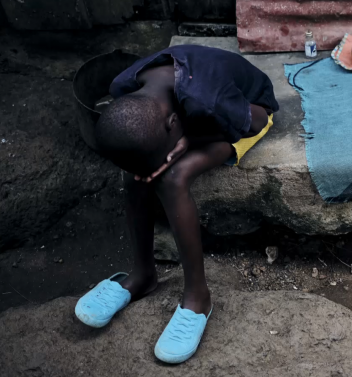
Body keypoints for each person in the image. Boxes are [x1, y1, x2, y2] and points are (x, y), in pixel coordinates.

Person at [74, 44, 278, 363]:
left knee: (173, 176)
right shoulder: (123, 86)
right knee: (138, 174)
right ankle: (142, 275)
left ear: (173, 123)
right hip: (187, 110)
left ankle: (198, 297)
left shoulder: (212, 101)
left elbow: (259, 118)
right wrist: (154, 158)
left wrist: (191, 141)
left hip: (245, 111)